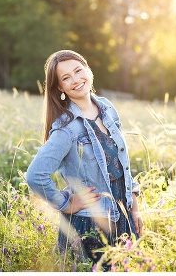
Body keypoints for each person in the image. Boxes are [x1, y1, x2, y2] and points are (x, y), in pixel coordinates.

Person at [25, 50, 143, 269]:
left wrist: (134, 207)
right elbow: (35, 175)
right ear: (60, 87)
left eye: (78, 71)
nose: (76, 80)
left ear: (88, 70)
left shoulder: (107, 108)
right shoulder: (66, 128)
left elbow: (121, 163)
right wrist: (65, 204)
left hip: (123, 216)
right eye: (66, 78)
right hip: (90, 224)